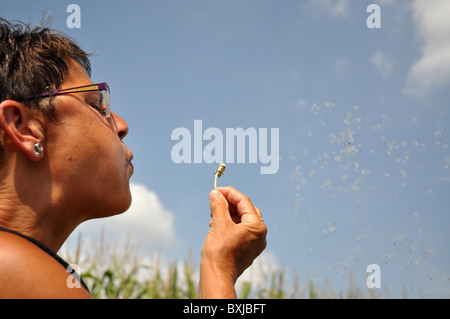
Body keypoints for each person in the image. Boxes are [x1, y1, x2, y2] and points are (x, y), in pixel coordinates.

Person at [0, 19, 267, 299]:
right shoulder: (17, 269)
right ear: (24, 128)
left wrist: (218, 262)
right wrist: (220, 270)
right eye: (94, 105)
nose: (122, 124)